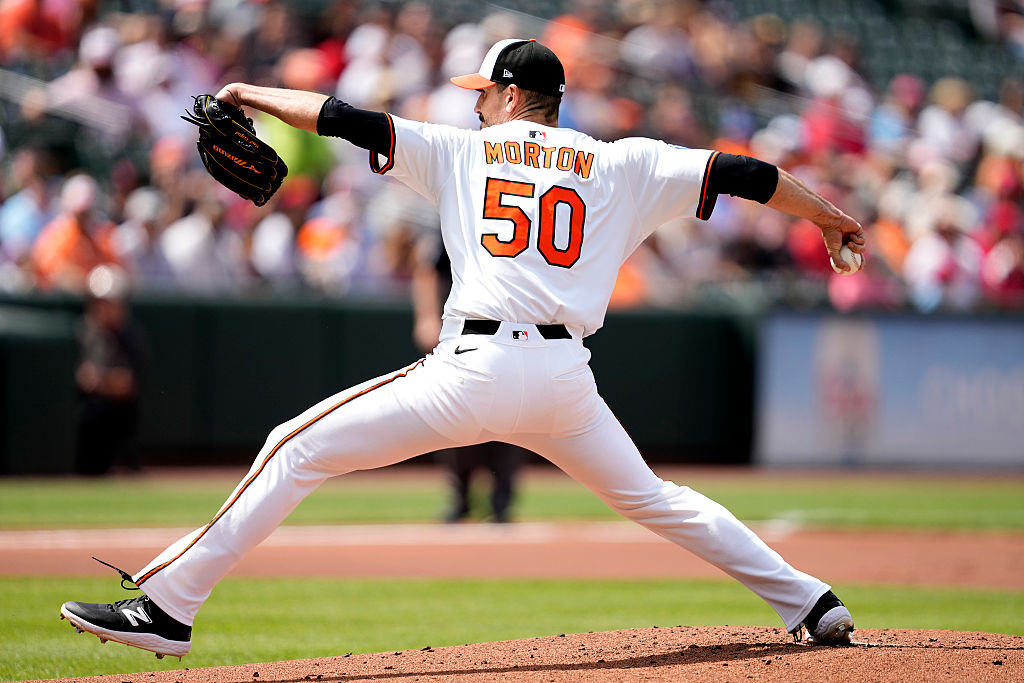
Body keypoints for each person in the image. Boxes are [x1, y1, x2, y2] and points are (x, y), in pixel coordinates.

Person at [60, 39, 865, 659]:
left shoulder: (463, 150)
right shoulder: (628, 161)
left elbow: (342, 118)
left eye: (484, 94)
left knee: (292, 446)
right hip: (564, 381)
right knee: (657, 499)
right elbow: (750, 173)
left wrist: (250, 94)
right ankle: (811, 601)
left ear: (513, 95)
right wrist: (830, 217)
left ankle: (169, 606)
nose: (478, 106)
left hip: (473, 367)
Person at [411, 231, 524, 523]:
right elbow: (429, 269)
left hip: (512, 330)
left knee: (508, 421)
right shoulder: (461, 208)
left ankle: (502, 502)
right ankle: (460, 499)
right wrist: (426, 316)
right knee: (455, 417)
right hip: (462, 331)